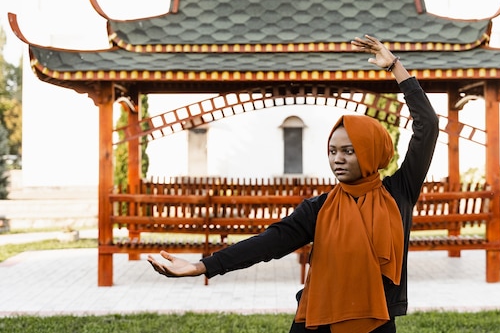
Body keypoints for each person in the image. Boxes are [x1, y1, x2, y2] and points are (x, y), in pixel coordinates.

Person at [148, 35, 439, 333]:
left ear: (371, 151)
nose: (337, 159)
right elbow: (268, 242)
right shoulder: (319, 208)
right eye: (332, 150)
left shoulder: (399, 192)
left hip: (376, 322)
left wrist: (394, 67)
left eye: (349, 151)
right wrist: (201, 266)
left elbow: (427, 125)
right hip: (318, 319)